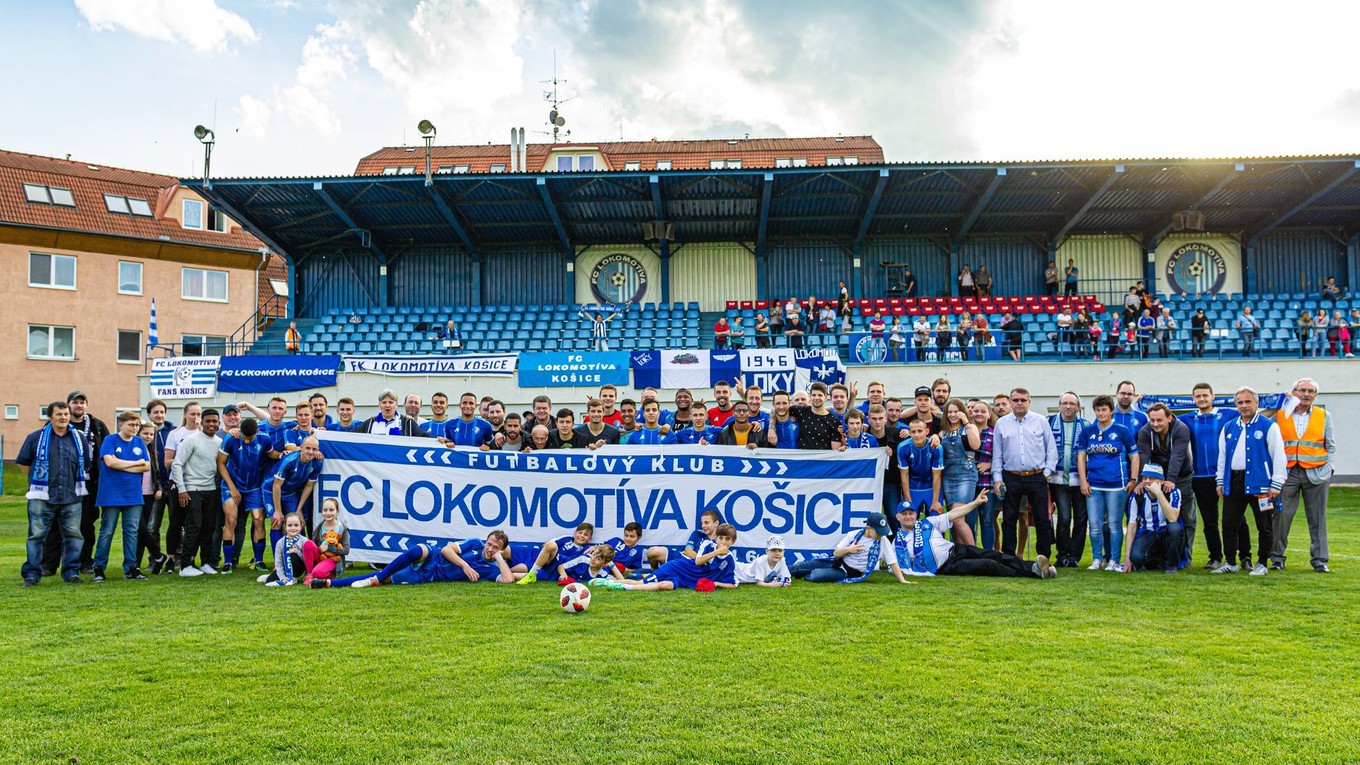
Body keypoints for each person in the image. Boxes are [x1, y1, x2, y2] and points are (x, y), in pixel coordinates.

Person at [893, 489, 1055, 579]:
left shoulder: (928, 522)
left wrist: (975, 503)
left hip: (956, 550)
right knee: (988, 565)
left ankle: (1034, 566)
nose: (908, 517)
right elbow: (895, 564)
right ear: (897, 517)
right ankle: (1033, 573)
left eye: (911, 513)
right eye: (904, 514)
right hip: (946, 566)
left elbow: (956, 513)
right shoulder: (898, 543)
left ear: (916, 514)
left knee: (995, 555)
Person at [1213, 387, 1286, 576]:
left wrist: (1276, 483)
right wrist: (1220, 481)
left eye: (1248, 402)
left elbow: (1278, 456)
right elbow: (1222, 457)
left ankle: (1262, 562)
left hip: (1260, 483)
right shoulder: (1229, 427)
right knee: (1229, 523)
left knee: (1264, 525)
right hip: (1234, 481)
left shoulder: (1268, 426)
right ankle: (1230, 562)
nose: (1244, 406)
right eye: (1240, 402)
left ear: (1256, 403)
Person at [18, 401, 90, 586]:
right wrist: (37, 482)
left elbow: (85, 465)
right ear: (50, 416)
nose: (63, 417)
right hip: (42, 496)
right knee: (36, 536)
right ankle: (32, 574)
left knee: (74, 536)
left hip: (71, 496)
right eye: (59, 414)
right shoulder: (35, 437)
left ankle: (71, 573)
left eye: (66, 414)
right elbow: (23, 462)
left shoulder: (79, 438)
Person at [42, 390, 109, 576]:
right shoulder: (58, 425)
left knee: (86, 524)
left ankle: (85, 562)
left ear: (86, 405)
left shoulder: (97, 425)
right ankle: (49, 564)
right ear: (68, 405)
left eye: (82, 402)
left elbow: (106, 452)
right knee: (55, 524)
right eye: (75, 402)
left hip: (89, 483)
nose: (79, 406)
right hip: (61, 482)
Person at [1271, 378, 1334, 573]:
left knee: (1318, 518)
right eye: (1302, 390)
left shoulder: (1324, 415)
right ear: (1294, 392)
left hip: (1316, 474)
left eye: (1311, 391)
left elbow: (1330, 445)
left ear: (1315, 395)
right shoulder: (1280, 414)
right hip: (1287, 473)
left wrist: (1328, 469)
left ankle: (1320, 560)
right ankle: (1277, 558)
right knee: (1281, 516)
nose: (1306, 394)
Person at [314, 531, 523, 588]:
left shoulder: (493, 568)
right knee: (419, 549)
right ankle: (377, 579)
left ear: (501, 550)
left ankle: (329, 583)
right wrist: (465, 565)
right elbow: (447, 550)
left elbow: (508, 580)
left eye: (495, 547)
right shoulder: (475, 543)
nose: (490, 548)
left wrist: (499, 558)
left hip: (428, 574)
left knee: (383, 577)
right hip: (433, 558)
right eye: (490, 544)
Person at [991, 388, 1057, 561]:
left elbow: (1051, 449)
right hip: (1010, 476)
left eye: (1023, 400)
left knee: (1042, 518)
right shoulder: (1002, 424)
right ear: (1011, 402)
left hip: (1037, 476)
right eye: (1015, 400)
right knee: (1009, 518)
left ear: (1029, 401)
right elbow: (997, 454)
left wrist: (1047, 472)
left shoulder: (1041, 421)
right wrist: (997, 479)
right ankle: (1009, 557)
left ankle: (1043, 557)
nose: (1019, 403)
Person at [1184, 382, 1245, 571]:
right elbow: (1158, 417)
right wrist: (1139, 403)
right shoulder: (1187, 419)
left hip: (1226, 475)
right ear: (1193, 399)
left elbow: (1256, 414)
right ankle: (1215, 557)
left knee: (1237, 519)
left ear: (1213, 396)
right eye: (1198, 396)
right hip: (1200, 477)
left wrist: (1284, 400)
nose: (1201, 399)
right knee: (1209, 521)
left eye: (1205, 395)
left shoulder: (1228, 414)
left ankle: (1245, 556)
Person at [1078, 395, 1139, 573]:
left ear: (1111, 411)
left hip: (1117, 485)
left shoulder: (1122, 430)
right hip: (1094, 485)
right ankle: (1097, 558)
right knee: (1095, 525)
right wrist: (1083, 480)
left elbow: (1134, 456)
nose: (1100, 413)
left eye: (1104, 409)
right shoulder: (1087, 432)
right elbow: (1081, 457)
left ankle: (1114, 559)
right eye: (1097, 410)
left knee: (1114, 524)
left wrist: (1133, 479)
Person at [1136, 403, 1195, 564]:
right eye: (1152, 420)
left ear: (1169, 418)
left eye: (1159, 420)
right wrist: (1144, 480)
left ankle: (1185, 558)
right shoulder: (1145, 432)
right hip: (1156, 476)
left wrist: (1171, 479)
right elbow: (1144, 456)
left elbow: (1178, 456)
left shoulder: (1181, 429)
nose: (1155, 424)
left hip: (1181, 476)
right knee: (1157, 518)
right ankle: (1158, 555)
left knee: (1186, 517)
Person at [218, 417, 278, 573]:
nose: (245, 441)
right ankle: (228, 562)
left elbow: (271, 454)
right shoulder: (231, 438)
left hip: (253, 487)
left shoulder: (264, 439)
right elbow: (220, 463)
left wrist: (283, 454)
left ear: (257, 432)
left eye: (249, 439)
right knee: (231, 520)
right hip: (231, 485)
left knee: (258, 520)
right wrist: (232, 488)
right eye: (244, 437)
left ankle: (259, 560)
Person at [171, 408, 223, 577]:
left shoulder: (219, 442)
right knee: (194, 526)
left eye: (214, 421)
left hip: (211, 489)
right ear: (202, 422)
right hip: (192, 489)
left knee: (209, 527)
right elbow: (177, 464)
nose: (211, 424)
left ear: (218, 423)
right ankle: (185, 565)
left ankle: (206, 562)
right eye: (208, 421)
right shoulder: (191, 440)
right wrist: (182, 489)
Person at [788, 513, 909, 584]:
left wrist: (902, 580)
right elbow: (836, 552)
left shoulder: (883, 541)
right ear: (868, 528)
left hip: (847, 572)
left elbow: (893, 562)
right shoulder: (853, 535)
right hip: (835, 562)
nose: (881, 535)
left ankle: (805, 573)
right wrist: (849, 549)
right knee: (801, 566)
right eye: (878, 532)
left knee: (815, 575)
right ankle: (777, 574)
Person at [612, 524, 739, 592]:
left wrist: (715, 583)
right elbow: (698, 561)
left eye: (727, 539)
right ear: (716, 538)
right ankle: (613, 583)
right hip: (680, 568)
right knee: (641, 582)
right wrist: (716, 552)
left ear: (733, 541)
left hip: (690, 581)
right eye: (721, 538)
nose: (723, 541)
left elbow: (732, 584)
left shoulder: (729, 559)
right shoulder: (707, 545)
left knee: (664, 586)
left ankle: (627, 587)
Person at [1120, 465, 1185, 573]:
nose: (1147, 481)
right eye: (1145, 478)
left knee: (1175, 529)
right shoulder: (1137, 495)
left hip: (1166, 532)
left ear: (1161, 481)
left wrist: (1159, 493)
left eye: (1152, 478)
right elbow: (1131, 527)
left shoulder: (1172, 492)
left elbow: (1173, 518)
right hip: (1147, 533)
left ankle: (1171, 566)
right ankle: (1158, 561)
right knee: (1136, 557)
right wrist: (1127, 558)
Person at [1048, 392, 1088, 568]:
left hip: (1080, 480)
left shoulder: (1086, 426)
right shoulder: (1049, 423)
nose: (1068, 406)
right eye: (1065, 403)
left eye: (1072, 403)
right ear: (1059, 405)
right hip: (1058, 480)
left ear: (1078, 407)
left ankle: (1075, 556)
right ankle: (1062, 554)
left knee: (1081, 519)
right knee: (1064, 518)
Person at [139, 400, 175, 574]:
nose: (159, 415)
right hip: (155, 487)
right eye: (155, 412)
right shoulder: (145, 435)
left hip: (172, 484)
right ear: (149, 415)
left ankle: (175, 558)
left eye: (162, 412)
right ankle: (154, 558)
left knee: (176, 524)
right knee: (152, 526)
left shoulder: (172, 432)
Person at [270, 437, 323, 547]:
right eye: (308, 448)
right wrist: (278, 510)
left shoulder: (317, 464)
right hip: (271, 491)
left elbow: (309, 485)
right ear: (301, 448)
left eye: (314, 449)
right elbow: (276, 485)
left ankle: (299, 558)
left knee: (297, 522)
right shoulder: (289, 461)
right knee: (276, 522)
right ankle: (278, 561)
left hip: (290, 493)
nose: (310, 452)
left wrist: (299, 509)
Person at [517, 523, 597, 585]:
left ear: (590, 539)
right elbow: (546, 545)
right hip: (551, 564)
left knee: (513, 576)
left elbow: (603, 553)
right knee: (550, 545)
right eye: (580, 533)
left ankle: (531, 575)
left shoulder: (588, 549)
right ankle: (532, 574)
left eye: (586, 535)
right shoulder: (566, 539)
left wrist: (596, 548)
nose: (582, 536)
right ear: (575, 533)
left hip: (563, 571)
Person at [777, 382, 843, 450]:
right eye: (814, 395)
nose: (816, 398)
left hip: (823, 460)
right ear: (810, 397)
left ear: (826, 397)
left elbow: (835, 451)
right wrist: (771, 428)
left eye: (820, 395)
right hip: (803, 459)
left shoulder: (834, 421)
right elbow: (776, 411)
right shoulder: (800, 411)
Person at [257, 513, 316, 587]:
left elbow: (308, 560)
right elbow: (278, 562)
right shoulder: (280, 542)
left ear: (301, 527)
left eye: (296, 525)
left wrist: (296, 551)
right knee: (270, 580)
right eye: (290, 525)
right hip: (285, 568)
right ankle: (281, 577)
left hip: (299, 568)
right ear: (285, 527)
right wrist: (282, 577)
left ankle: (294, 577)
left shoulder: (304, 541)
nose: (293, 528)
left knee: (292, 555)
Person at [360, 389, 432, 437]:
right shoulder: (369, 423)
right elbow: (350, 436)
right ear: (379, 405)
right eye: (384, 402)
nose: (387, 405)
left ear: (396, 405)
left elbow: (423, 435)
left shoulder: (407, 423)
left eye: (391, 402)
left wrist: (438, 440)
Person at [309, 497, 349, 583]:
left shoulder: (343, 529)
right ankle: (309, 574)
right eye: (325, 510)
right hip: (320, 556)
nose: (328, 513)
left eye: (331, 510)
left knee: (317, 573)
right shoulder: (319, 527)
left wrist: (329, 548)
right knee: (308, 544)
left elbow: (346, 550)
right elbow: (313, 546)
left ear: (337, 511)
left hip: (333, 559)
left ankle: (329, 573)